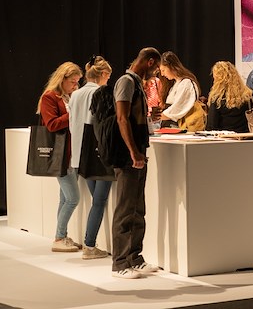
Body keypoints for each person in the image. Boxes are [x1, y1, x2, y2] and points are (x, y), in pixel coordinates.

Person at [111, 47, 161, 279]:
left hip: (139, 151)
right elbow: (122, 118)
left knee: (138, 208)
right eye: (156, 68)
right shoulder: (126, 82)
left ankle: (134, 258)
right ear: (150, 62)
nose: (156, 72)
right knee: (125, 209)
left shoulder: (136, 83)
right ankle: (119, 263)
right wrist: (133, 152)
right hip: (127, 155)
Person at [68, 56, 112, 259]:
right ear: (103, 74)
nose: (108, 79)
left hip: (80, 155)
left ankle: (90, 244)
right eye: (108, 76)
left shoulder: (76, 94)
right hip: (98, 153)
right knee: (99, 201)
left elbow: (72, 124)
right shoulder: (101, 93)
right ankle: (90, 246)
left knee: (97, 200)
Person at [37, 61, 83, 253]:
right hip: (61, 154)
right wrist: (73, 113)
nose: (75, 85)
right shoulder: (50, 97)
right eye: (72, 81)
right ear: (62, 79)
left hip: (73, 152)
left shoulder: (70, 96)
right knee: (73, 198)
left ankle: (61, 235)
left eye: (77, 82)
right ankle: (58, 238)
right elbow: (52, 124)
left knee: (65, 199)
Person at [206, 61, 253, 133]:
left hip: (226, 137)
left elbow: (212, 125)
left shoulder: (217, 98)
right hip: (247, 136)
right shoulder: (248, 95)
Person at [158, 51, 201, 128]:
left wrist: (157, 117)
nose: (162, 74)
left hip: (178, 127)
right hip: (170, 127)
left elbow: (178, 108)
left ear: (171, 67)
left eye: (163, 70)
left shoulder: (186, 83)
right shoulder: (175, 84)